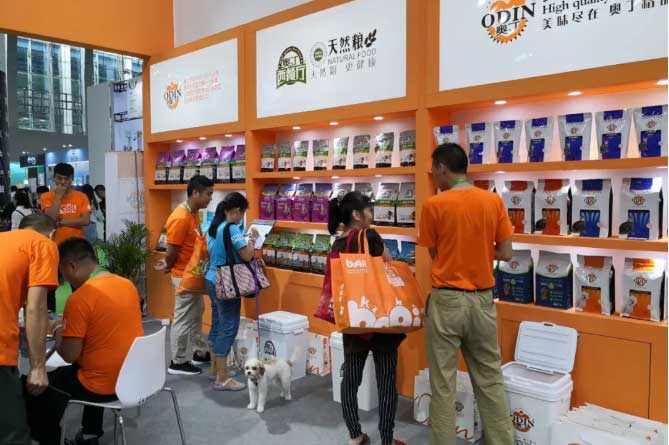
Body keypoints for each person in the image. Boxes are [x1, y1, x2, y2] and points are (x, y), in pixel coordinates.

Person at [417, 143, 514, 445]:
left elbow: (435, 253)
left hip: (446, 300)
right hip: (483, 301)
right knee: (490, 381)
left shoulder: (433, 205)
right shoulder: (493, 201)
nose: (434, 176)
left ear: (442, 168)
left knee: (443, 385)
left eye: (434, 170)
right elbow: (506, 253)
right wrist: (480, 251)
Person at [24, 237, 143, 445]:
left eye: (62, 273)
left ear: (71, 266)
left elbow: (69, 355)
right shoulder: (127, 285)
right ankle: (90, 433)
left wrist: (59, 329)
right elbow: (103, 321)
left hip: (102, 386)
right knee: (92, 363)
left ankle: (52, 440)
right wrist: (70, 322)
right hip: (134, 377)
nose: (64, 280)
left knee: (39, 387)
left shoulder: (80, 298)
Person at [327, 191, 407, 445]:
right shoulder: (370, 236)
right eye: (369, 210)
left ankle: (354, 435)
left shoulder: (337, 244)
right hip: (380, 318)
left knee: (350, 380)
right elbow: (388, 263)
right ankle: (387, 439)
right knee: (386, 382)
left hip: (353, 318)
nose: (372, 215)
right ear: (357, 214)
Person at [0, 214, 58, 445]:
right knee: (12, 435)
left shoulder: (5, 241)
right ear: (52, 234)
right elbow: (36, 308)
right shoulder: (42, 244)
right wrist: (38, 368)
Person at [155, 175, 214, 375]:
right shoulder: (180, 217)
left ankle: (200, 352)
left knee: (196, 312)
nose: (210, 198)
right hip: (183, 275)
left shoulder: (193, 213)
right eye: (208, 194)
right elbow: (172, 249)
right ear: (195, 193)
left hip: (192, 273)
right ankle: (178, 361)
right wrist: (169, 264)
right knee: (183, 317)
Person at [204, 193, 259, 390]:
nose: (242, 217)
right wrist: (252, 240)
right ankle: (222, 378)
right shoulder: (232, 228)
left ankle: (215, 369)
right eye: (242, 213)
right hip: (226, 283)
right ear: (236, 210)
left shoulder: (218, 226)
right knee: (229, 327)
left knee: (218, 324)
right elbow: (247, 255)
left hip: (212, 279)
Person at [41, 163, 91, 244]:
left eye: (67, 179)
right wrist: (58, 197)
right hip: (55, 243)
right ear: (54, 178)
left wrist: (61, 222)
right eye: (59, 178)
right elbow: (51, 218)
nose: (63, 182)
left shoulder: (82, 196)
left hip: (77, 243)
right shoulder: (46, 196)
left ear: (72, 178)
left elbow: (86, 221)